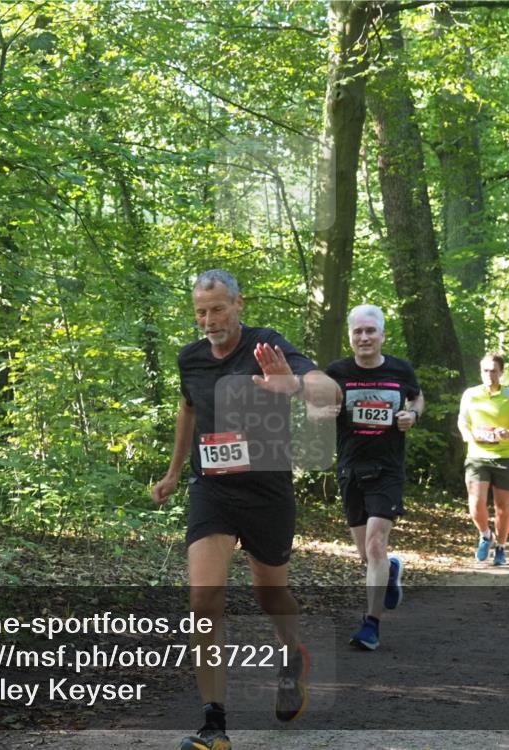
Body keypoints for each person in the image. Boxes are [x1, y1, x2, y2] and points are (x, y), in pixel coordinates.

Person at [151, 270, 339, 750]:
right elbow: (188, 409)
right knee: (202, 600)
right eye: (200, 311)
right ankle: (214, 725)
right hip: (211, 488)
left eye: (217, 308)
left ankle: (292, 654)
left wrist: (293, 385)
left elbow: (328, 391)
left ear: (238, 304)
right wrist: (173, 473)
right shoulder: (190, 359)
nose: (208, 319)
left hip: (266, 490)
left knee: (270, 596)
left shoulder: (267, 347)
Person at [324, 304, 423, 650]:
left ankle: (371, 624)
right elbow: (314, 408)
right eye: (358, 332)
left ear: (382, 334)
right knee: (366, 555)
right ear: (350, 336)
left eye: (370, 331)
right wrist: (325, 411)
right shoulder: (336, 371)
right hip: (351, 467)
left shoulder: (400, 369)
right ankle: (391, 570)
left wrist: (412, 414)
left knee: (375, 543)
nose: (364, 337)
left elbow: (416, 398)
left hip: (388, 469)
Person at [458, 353, 509, 566]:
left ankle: (501, 547)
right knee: (476, 503)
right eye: (486, 370)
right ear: (480, 372)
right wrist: (468, 435)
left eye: (494, 370)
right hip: (477, 455)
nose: (490, 375)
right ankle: (485, 535)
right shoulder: (470, 394)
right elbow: (462, 421)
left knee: (503, 506)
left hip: (504, 456)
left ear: (501, 372)